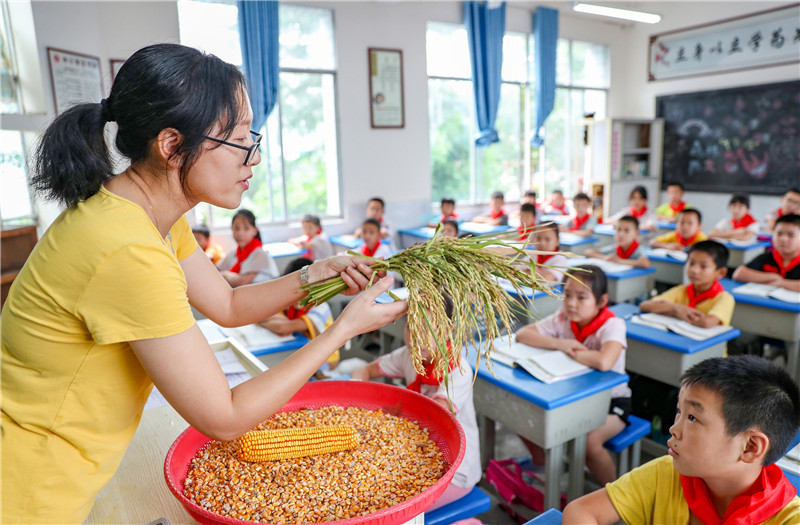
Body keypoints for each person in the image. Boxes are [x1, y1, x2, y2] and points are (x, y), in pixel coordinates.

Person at [1, 43, 408, 523]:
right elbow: (224, 416)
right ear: (172, 146)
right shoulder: (126, 248)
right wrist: (344, 330)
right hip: (30, 491)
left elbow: (228, 304)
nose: (253, 158)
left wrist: (315, 274)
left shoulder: (147, 213)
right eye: (238, 141)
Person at [562, 355, 800, 525]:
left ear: (750, 447)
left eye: (693, 418)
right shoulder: (666, 474)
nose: (674, 429)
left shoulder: (788, 519)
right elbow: (581, 512)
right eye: (679, 412)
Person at [350, 294, 482, 511]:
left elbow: (434, 417)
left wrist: (390, 410)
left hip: (454, 470)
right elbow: (365, 369)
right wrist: (355, 388)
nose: (417, 338)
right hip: (419, 454)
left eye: (428, 329)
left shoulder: (459, 370)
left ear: (448, 329)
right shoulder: (409, 356)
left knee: (388, 507)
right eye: (411, 328)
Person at [516, 265, 631, 485]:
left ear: (601, 301)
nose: (570, 303)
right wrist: (561, 343)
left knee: (589, 443)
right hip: (573, 397)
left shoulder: (613, 325)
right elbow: (523, 334)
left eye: (581, 297)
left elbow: (604, 361)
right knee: (525, 414)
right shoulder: (562, 318)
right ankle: (542, 461)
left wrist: (571, 349)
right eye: (567, 295)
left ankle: (615, 497)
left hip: (613, 403)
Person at [258, 257, 339, 374]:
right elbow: (272, 316)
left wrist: (261, 321)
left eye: (304, 288)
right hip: (301, 358)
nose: (298, 294)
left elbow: (283, 327)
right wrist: (273, 321)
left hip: (325, 368)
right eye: (293, 289)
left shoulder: (321, 306)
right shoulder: (292, 302)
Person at [641, 240, 733, 328]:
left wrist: (669, 310)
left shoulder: (724, 298)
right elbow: (645, 306)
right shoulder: (682, 290)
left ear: (721, 273)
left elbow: (706, 323)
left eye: (703, 266)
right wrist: (676, 308)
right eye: (691, 263)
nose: (694, 270)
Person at [733, 214, 800, 292]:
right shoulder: (767, 257)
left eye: (791, 235)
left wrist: (782, 283)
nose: (783, 239)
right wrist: (773, 277)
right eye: (779, 234)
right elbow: (739, 274)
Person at [216, 209, 279, 286]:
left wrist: (223, 275)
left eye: (246, 228)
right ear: (231, 229)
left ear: (254, 231)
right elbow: (213, 272)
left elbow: (241, 283)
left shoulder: (260, 254)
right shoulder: (232, 253)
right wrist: (225, 274)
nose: (240, 233)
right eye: (236, 228)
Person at [586, 215, 650, 269]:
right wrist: (605, 258)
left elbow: (645, 263)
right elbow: (588, 252)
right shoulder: (615, 248)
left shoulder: (639, 249)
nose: (621, 234)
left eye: (626, 230)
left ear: (636, 234)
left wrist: (619, 261)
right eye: (618, 229)